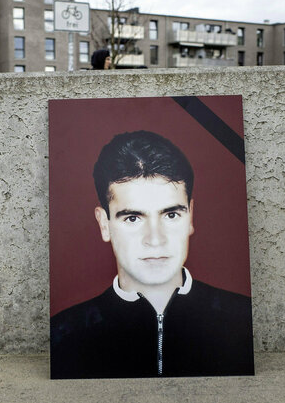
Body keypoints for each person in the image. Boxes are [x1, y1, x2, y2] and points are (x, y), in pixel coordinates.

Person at [50, 130, 253, 379]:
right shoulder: (60, 335)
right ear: (104, 224)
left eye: (171, 215)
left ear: (190, 216)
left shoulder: (245, 320)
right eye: (133, 218)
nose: (155, 239)